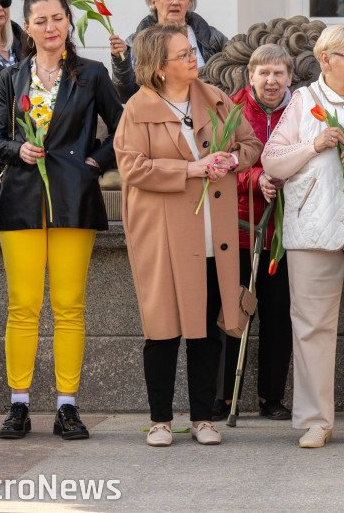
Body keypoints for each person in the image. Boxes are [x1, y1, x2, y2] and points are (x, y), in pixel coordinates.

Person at [0, 0, 123, 441]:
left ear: (68, 22)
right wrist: (16, 150)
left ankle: (67, 405)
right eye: (40, 20)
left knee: (69, 306)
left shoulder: (91, 75)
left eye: (58, 19)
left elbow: (121, 127)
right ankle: (18, 404)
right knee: (22, 307)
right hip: (21, 203)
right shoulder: (10, 76)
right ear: (26, 27)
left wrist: (94, 163)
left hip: (73, 200)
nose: (50, 28)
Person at [115, 23, 259, 446]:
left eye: (192, 51)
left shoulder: (214, 99)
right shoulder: (137, 109)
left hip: (214, 233)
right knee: (162, 329)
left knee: (206, 328)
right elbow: (133, 168)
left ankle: (202, 418)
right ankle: (160, 420)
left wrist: (228, 159)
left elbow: (250, 145)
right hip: (163, 234)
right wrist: (192, 168)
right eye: (183, 55)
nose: (193, 58)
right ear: (159, 68)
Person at [262, 25, 344, 449]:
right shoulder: (303, 99)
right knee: (311, 327)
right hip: (312, 230)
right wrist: (314, 145)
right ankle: (315, 420)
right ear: (326, 60)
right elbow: (272, 161)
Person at [213, 45, 295, 422]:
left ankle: (271, 397)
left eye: (279, 73)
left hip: (285, 232)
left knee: (279, 315)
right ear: (251, 77)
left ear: (290, 78)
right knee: (234, 311)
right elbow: (224, 163)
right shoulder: (230, 109)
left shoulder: (301, 111)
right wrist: (256, 176)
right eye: (264, 73)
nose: (271, 81)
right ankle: (224, 396)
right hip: (243, 227)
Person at [108, 0, 228, 102]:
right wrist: (121, 61)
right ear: (153, 2)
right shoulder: (135, 42)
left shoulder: (212, 37)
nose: (175, 2)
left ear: (189, 2)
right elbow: (125, 95)